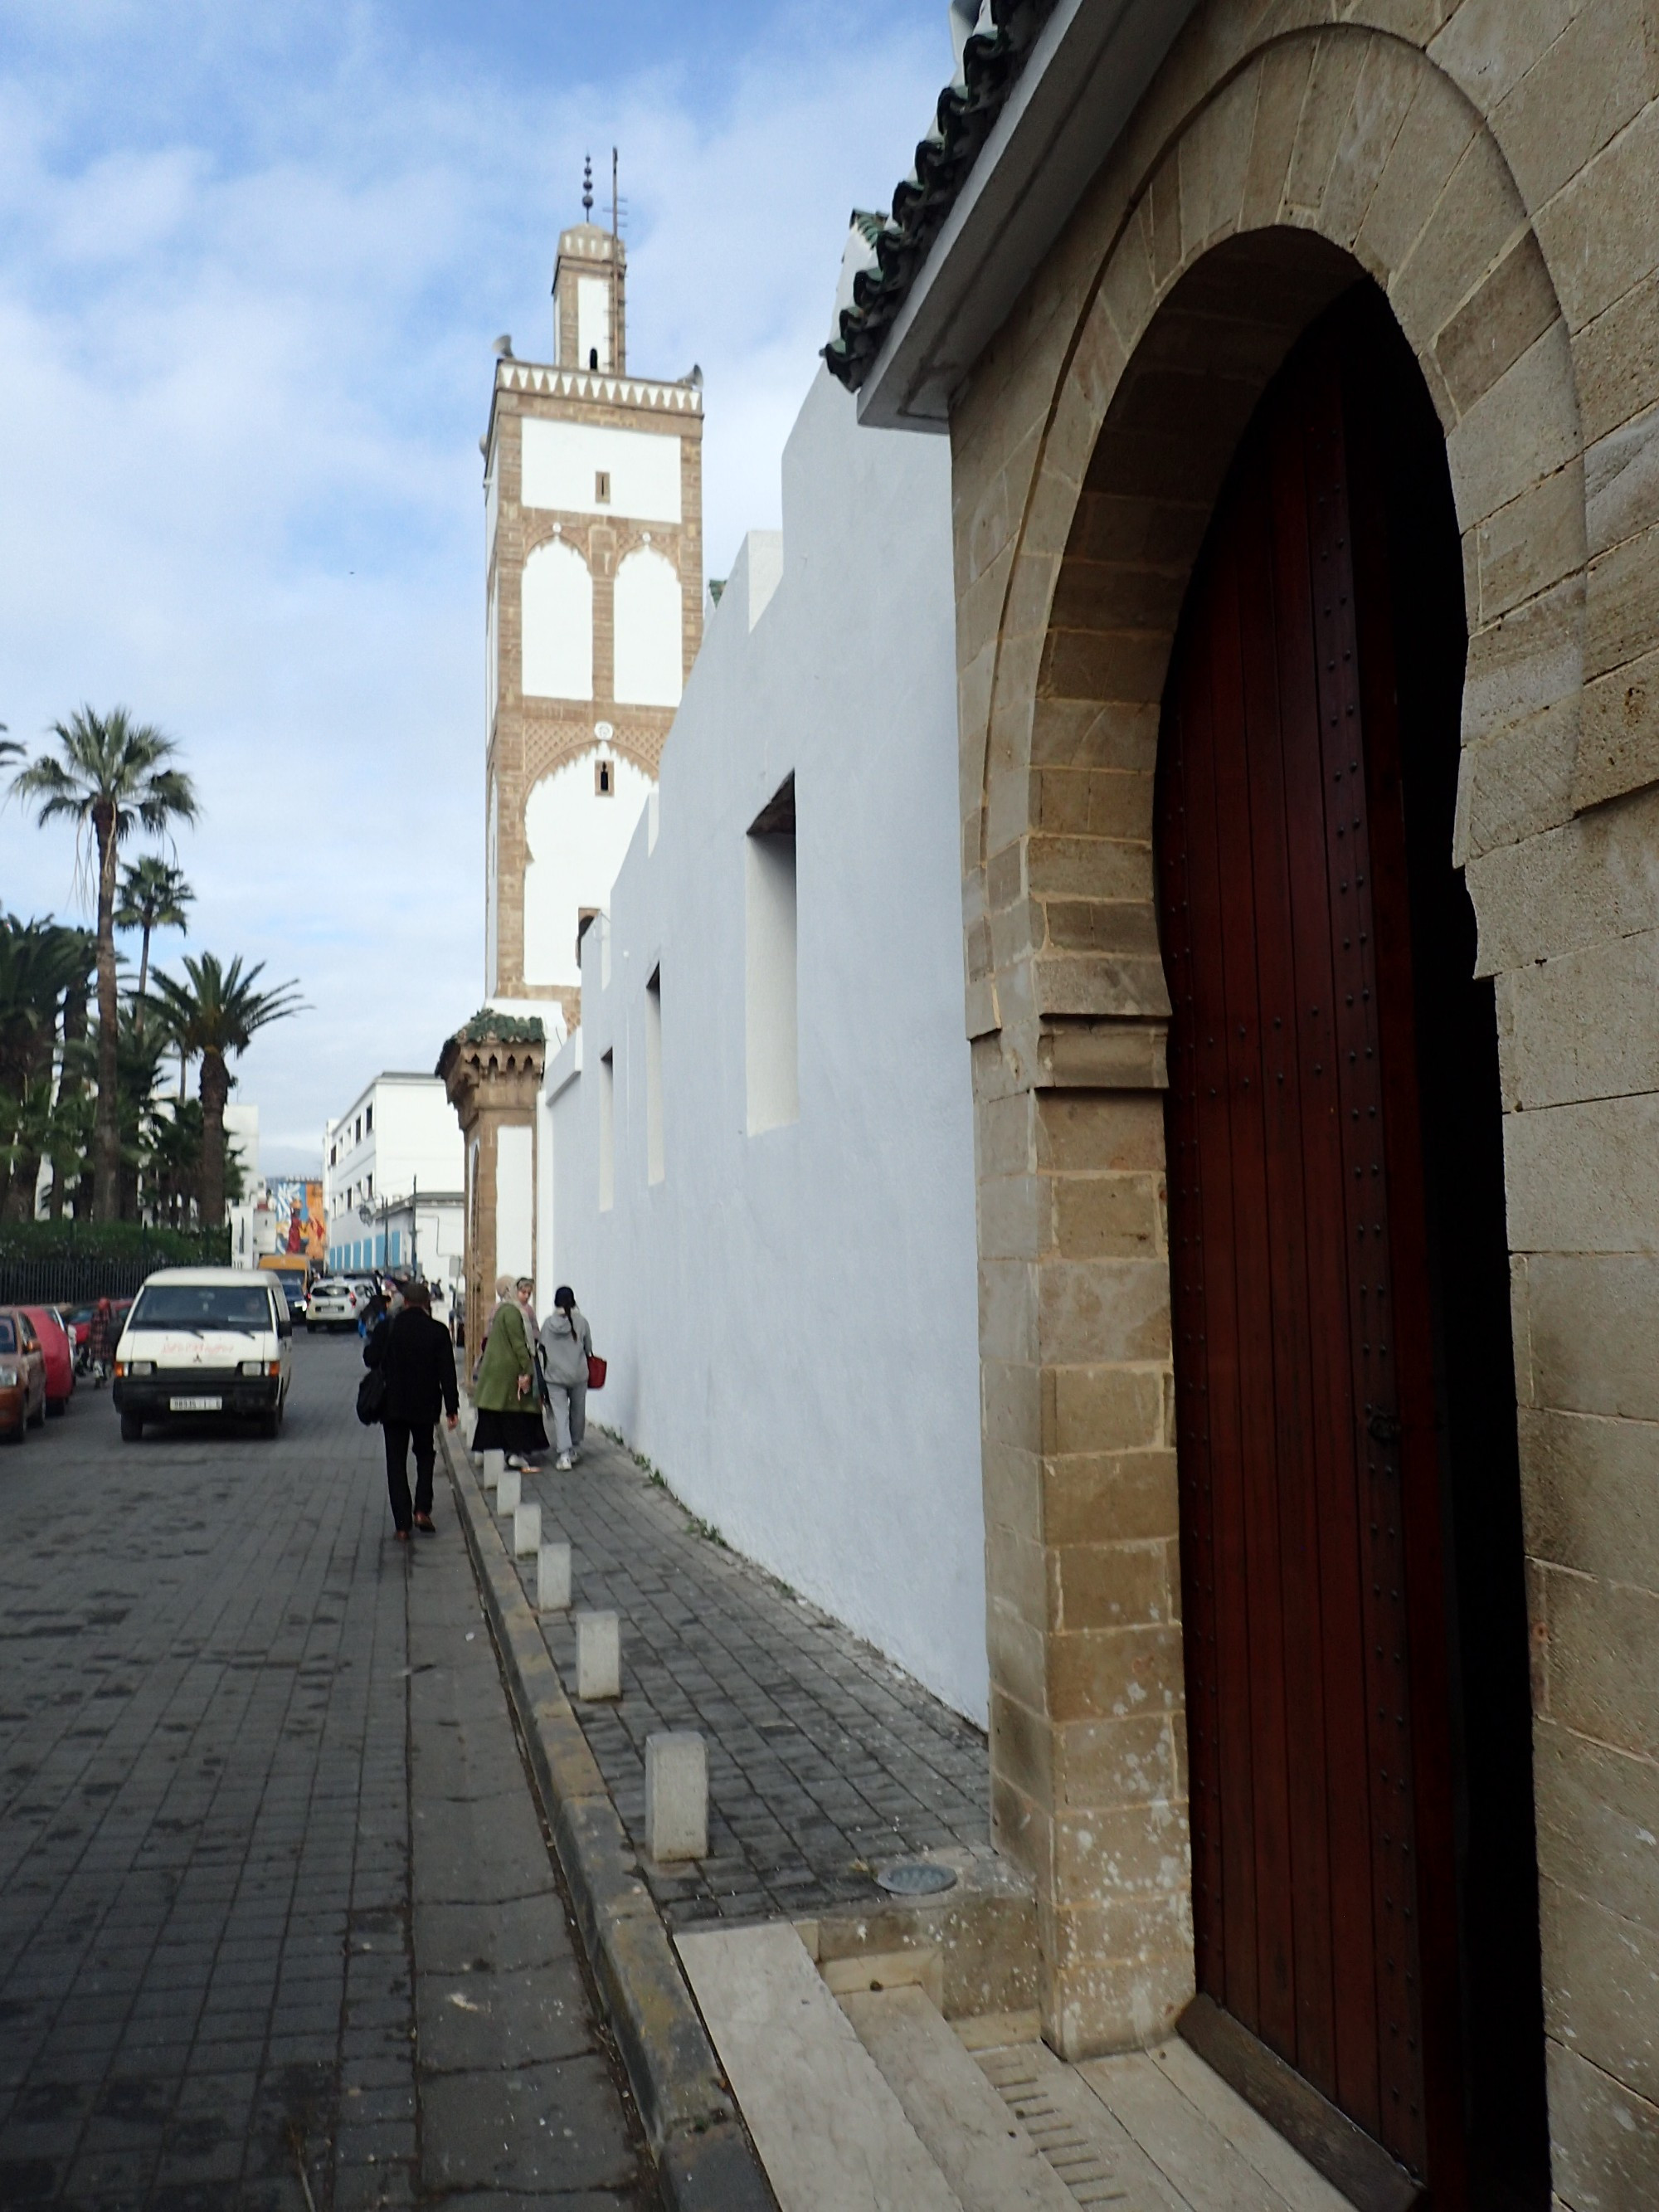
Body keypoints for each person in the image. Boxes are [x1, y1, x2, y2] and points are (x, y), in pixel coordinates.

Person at [365, 1279, 459, 1539]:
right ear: (427, 1303)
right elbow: (447, 1373)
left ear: (404, 1302)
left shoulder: (388, 1327)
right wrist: (452, 1408)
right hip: (425, 1405)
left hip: (393, 1405)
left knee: (395, 1462)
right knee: (425, 1455)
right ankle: (422, 1509)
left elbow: (370, 1358)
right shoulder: (438, 1331)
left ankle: (402, 1525)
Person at [470, 1271, 547, 1469]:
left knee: (496, 1414)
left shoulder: (503, 1310)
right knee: (517, 1414)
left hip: (496, 1372)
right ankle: (515, 1452)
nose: (526, 1295)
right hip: (508, 1372)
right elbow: (519, 1344)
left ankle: (492, 1452)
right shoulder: (513, 1313)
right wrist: (527, 1369)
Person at [538, 1285, 592, 1473]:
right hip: (578, 1375)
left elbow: (541, 1348)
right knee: (578, 1411)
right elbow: (588, 1348)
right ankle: (576, 1447)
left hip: (554, 1377)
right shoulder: (582, 1322)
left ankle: (564, 1455)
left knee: (561, 1414)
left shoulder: (547, 1324)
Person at [87, 1297, 116, 1387]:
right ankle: (105, 1376)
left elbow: (91, 1329)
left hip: (96, 1342)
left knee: (97, 1360)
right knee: (107, 1361)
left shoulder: (95, 1314)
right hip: (106, 1341)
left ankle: (98, 1376)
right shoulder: (110, 1315)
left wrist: (89, 1340)